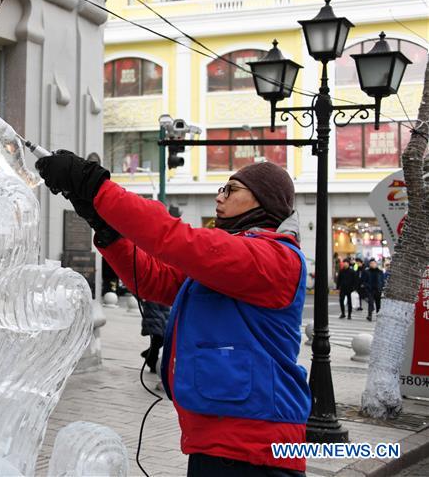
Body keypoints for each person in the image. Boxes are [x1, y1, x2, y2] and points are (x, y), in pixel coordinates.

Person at [36, 153, 309, 476]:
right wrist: (109, 232)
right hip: (219, 440)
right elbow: (156, 280)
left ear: (264, 200)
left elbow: (175, 239)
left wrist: (97, 187)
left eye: (231, 189)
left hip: (255, 447)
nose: (219, 196)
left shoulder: (275, 257)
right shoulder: (237, 253)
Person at [139, 299, 170, 373]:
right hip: (154, 314)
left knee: (162, 339)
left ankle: (148, 355)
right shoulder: (151, 292)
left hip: (163, 314)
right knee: (159, 338)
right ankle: (152, 362)